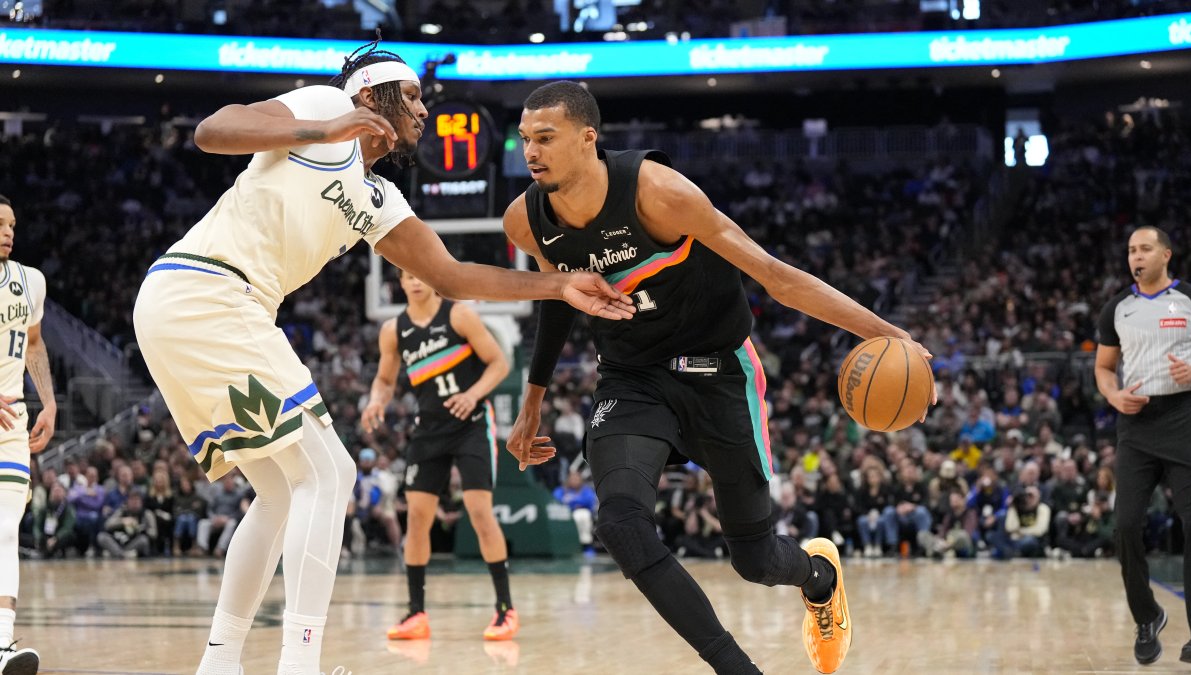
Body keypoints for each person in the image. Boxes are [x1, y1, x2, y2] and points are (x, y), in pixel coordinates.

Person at [131, 41, 632, 675]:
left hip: (203, 307)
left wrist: (558, 283)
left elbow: (450, 275)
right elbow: (211, 131)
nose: (424, 111)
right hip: (207, 290)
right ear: (370, 97)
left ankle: (219, 663)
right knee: (331, 474)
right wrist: (325, 124)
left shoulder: (380, 198)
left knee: (282, 493)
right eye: (414, 97)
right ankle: (299, 666)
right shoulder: (322, 105)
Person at [504, 81, 933, 675]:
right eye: (525, 139)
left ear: (588, 139)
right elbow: (558, 298)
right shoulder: (526, 221)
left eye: (545, 138)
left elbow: (776, 278)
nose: (531, 151)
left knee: (754, 560)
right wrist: (531, 405)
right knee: (620, 524)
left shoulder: (660, 194)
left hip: (718, 374)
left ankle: (820, 576)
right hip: (633, 378)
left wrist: (888, 333)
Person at [362, 269, 518, 641]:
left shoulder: (459, 314)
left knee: (479, 511)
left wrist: (473, 394)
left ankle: (505, 610)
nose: (416, 281)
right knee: (417, 518)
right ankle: (416, 613)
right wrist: (375, 400)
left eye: (421, 274)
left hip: (471, 424)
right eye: (407, 276)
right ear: (399, 284)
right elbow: (385, 380)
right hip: (429, 430)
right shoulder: (393, 330)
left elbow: (499, 363)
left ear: (432, 280)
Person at [1095, 225, 1191, 666]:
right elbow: (1103, 367)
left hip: (1186, 419)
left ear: (1166, 255)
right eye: (1131, 250)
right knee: (1125, 525)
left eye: (1144, 248)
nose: (1135, 256)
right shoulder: (1117, 307)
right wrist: (1114, 395)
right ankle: (1147, 615)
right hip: (1136, 427)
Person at [0, 193, 57, 674]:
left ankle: (0, 645)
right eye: (0, 223)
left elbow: (34, 345)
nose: (8, 231)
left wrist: (51, 402)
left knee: (5, 529)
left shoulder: (29, 281)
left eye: (12, 224)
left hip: (11, 422)